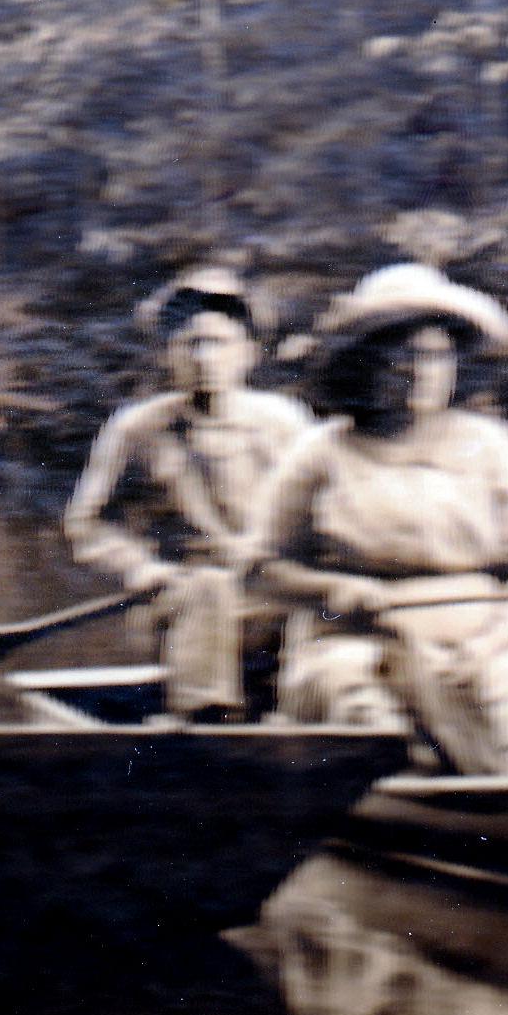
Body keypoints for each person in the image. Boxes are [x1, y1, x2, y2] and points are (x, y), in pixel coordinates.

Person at [247, 263, 508, 779]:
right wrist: (332, 588)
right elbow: (260, 567)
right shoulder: (321, 451)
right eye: (401, 354)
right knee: (367, 717)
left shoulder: (492, 446)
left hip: (481, 644)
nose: (420, 371)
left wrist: (492, 641)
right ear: (367, 362)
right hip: (353, 641)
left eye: (436, 355)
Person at [61, 267, 315, 720]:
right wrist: (140, 567)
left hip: (269, 590)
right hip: (181, 596)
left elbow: (321, 514)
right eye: (190, 343)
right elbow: (87, 523)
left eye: (218, 343)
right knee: (208, 588)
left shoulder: (285, 422)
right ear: (168, 353)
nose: (204, 358)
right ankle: (205, 722)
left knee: (320, 612)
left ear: (248, 353)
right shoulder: (138, 427)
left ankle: (305, 715)